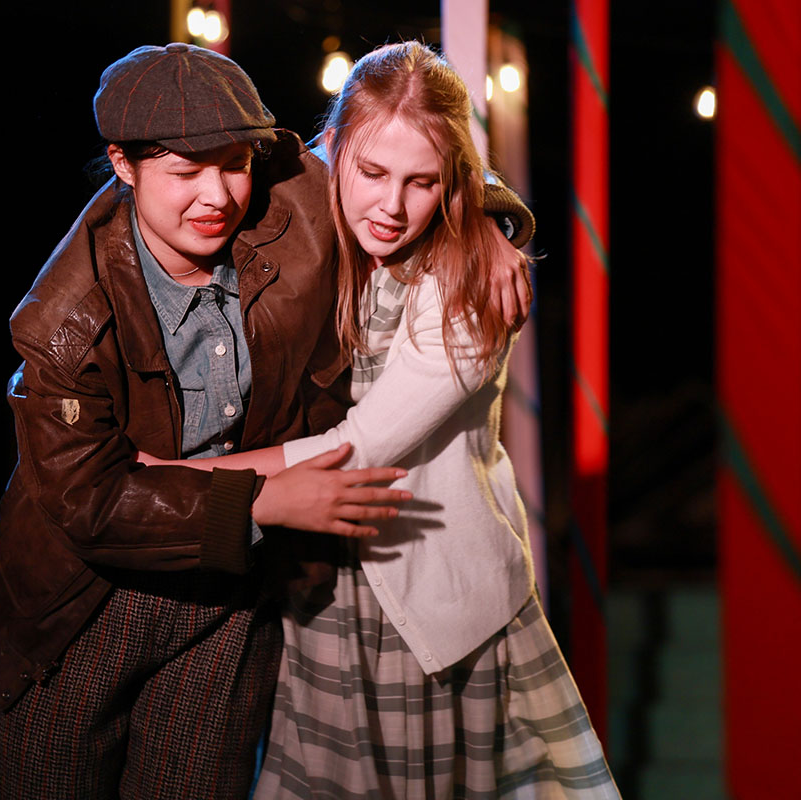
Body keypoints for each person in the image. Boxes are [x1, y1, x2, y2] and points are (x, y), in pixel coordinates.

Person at [0, 43, 532, 799]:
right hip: (86, 607)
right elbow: (89, 502)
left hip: (230, 595)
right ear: (122, 165)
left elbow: (399, 143)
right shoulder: (62, 326)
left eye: (235, 164)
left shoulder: (282, 199)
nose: (216, 196)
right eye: (185, 172)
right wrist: (263, 499)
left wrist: (491, 223)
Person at [147, 42, 620, 798]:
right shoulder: (303, 220)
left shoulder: (472, 286)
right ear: (333, 150)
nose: (392, 207)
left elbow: (355, 447)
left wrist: (182, 479)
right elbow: (168, 188)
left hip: (428, 605)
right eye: (372, 173)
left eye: (421, 182)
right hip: (317, 590)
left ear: (451, 180)